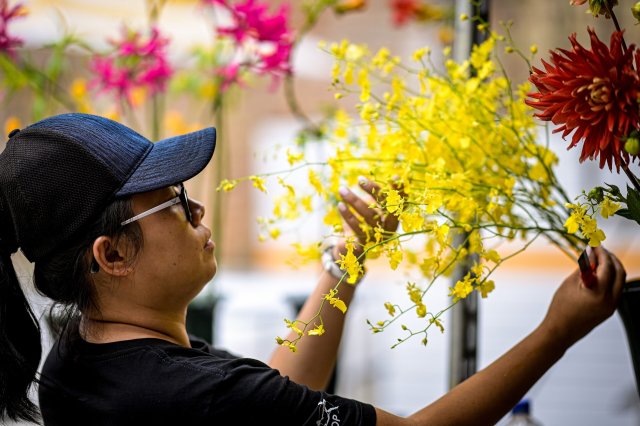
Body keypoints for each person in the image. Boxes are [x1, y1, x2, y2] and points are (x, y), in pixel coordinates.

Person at [0, 113, 626, 425]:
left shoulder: (83, 358)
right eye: (171, 200)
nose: (196, 208)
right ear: (111, 255)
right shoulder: (180, 391)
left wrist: (346, 263)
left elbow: (276, 398)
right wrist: (558, 331)